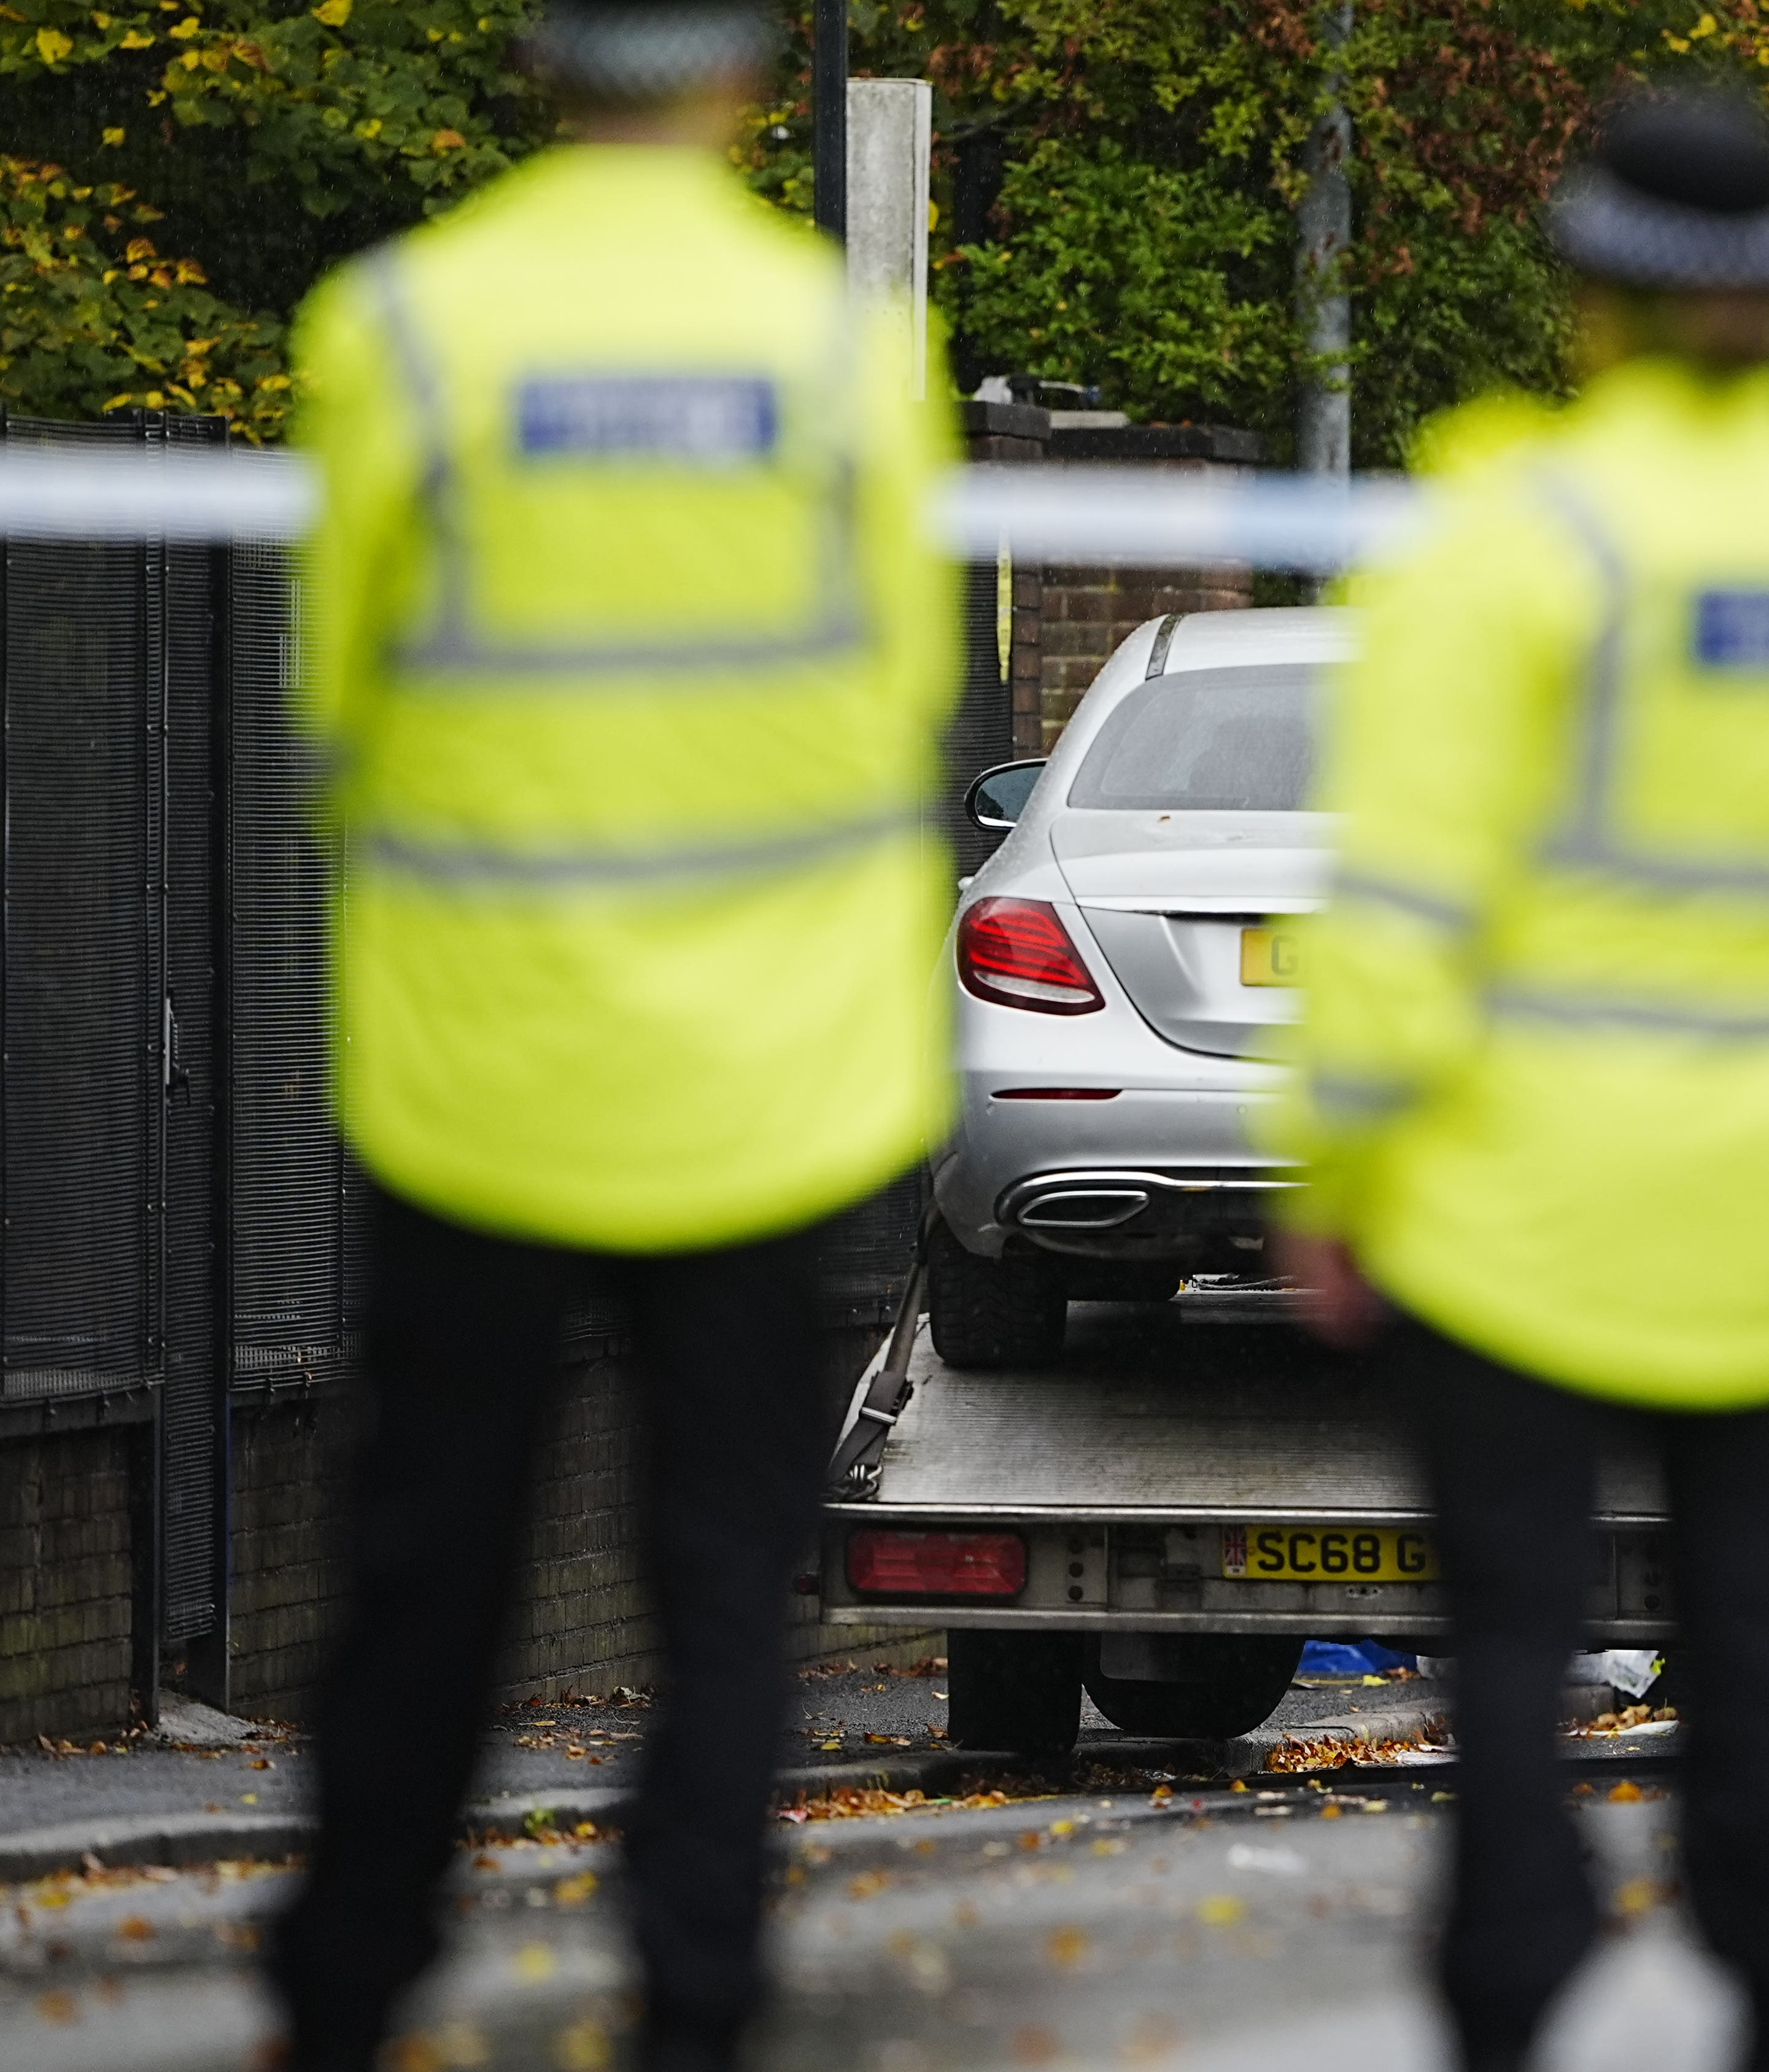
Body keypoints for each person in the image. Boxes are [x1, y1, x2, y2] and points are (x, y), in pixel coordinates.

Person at [1269, 87, 1769, 2072]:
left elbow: (1403, 891)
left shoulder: (1507, 538)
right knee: (1757, 1661)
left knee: (1509, 1658)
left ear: (1587, 285)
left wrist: (1338, 1160)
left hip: (1509, 1220)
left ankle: (1508, 2011)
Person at [265, 4, 958, 2068]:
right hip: (764, 1079)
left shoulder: (400, 328)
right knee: (727, 1584)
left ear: (537, 65)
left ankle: (349, 1983)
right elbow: (905, 684)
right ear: (747, 80)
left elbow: (335, 705)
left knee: (429, 1568)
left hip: (479, 1064)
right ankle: (699, 1996)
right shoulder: (844, 356)